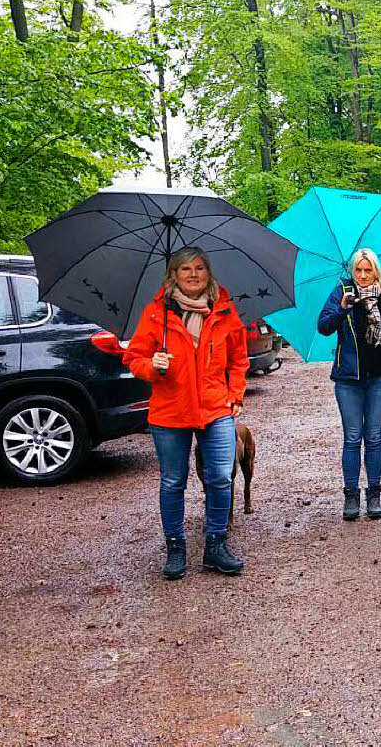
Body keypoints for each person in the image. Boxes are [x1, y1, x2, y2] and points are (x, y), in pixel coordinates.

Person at [124, 247, 249, 580]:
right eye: (184, 269)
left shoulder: (224, 312)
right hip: (170, 411)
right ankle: (176, 548)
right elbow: (133, 359)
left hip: (215, 407)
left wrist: (235, 393)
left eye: (199, 268)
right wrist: (152, 366)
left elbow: (239, 360)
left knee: (221, 477)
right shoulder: (156, 314)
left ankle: (216, 546)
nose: (193, 274)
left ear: (208, 273)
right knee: (173, 481)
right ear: (173, 275)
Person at [318, 249, 381, 520]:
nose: (362, 275)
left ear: (376, 271)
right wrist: (342, 308)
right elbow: (323, 326)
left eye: (367, 270)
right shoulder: (342, 293)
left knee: (373, 437)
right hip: (349, 379)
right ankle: (350, 495)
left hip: (380, 376)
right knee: (352, 437)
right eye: (358, 270)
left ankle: (374, 494)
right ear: (352, 271)